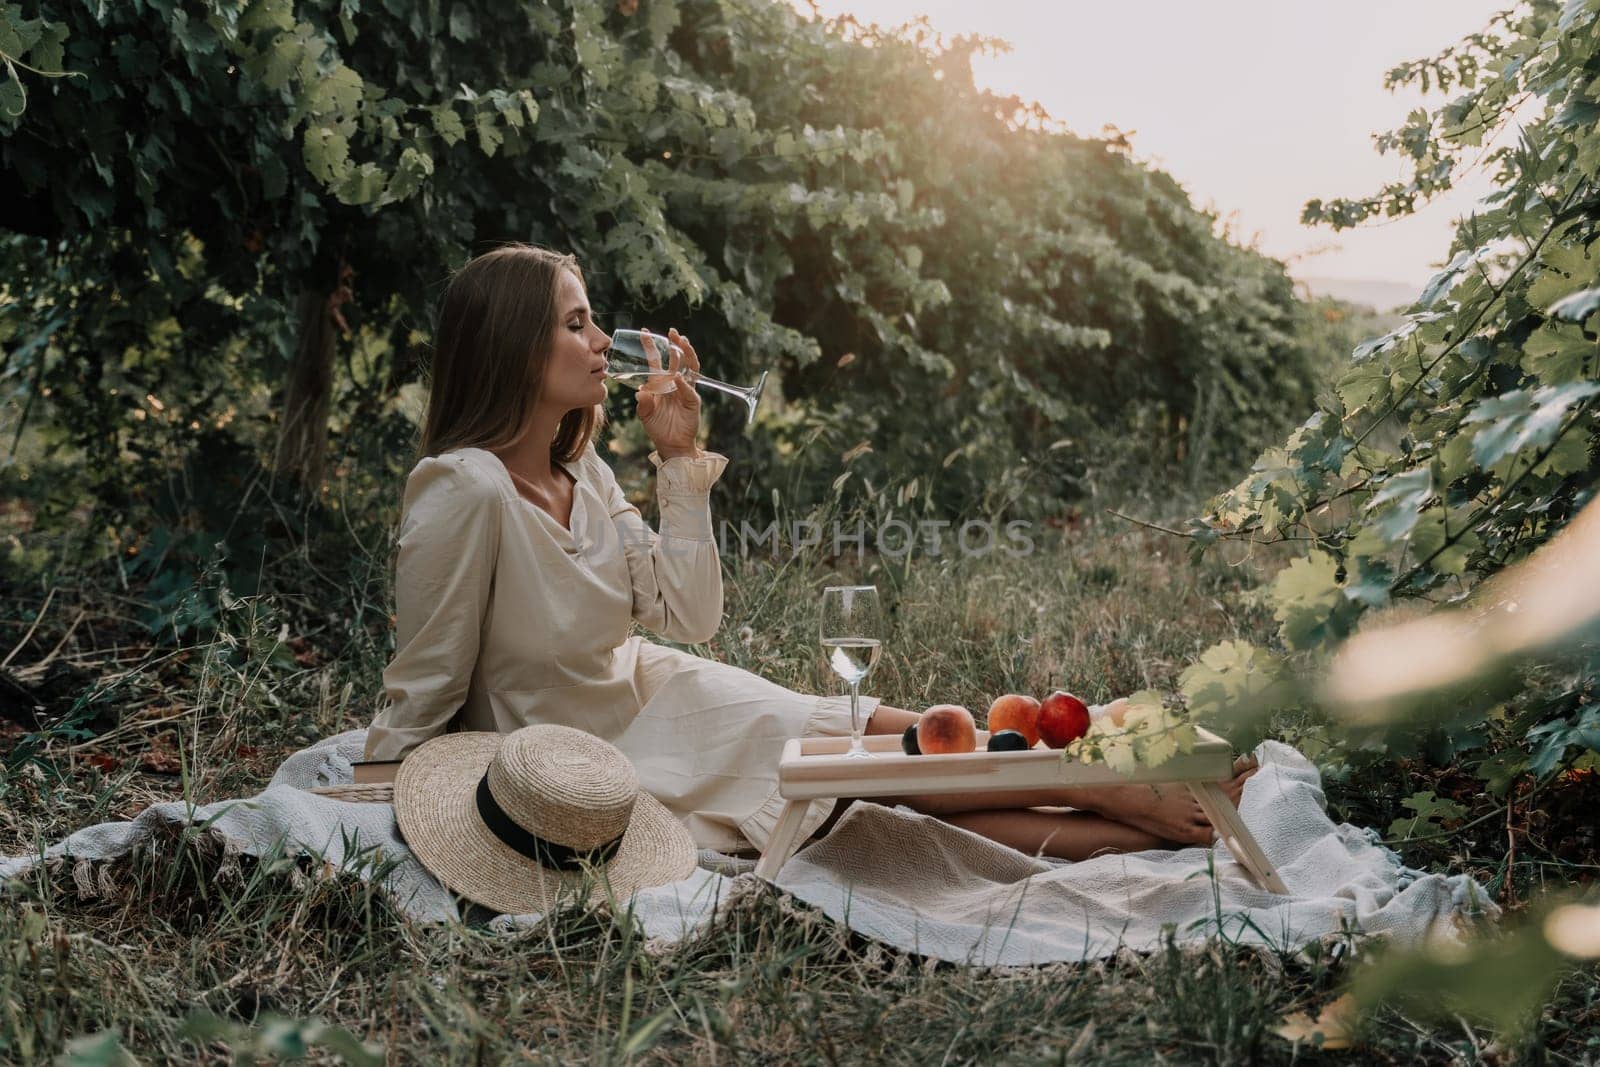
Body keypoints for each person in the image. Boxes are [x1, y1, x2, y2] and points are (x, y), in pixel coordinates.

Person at [362, 243, 1257, 861]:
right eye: (577, 322)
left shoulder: (585, 469)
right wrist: (385, 791)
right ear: (513, 344)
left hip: (658, 685)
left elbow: (690, 617)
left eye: (595, 321)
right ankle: (1127, 804)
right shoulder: (464, 486)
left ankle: (1111, 785)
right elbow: (428, 677)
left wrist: (678, 459)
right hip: (580, 749)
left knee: (869, 734)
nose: (604, 342)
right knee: (871, 790)